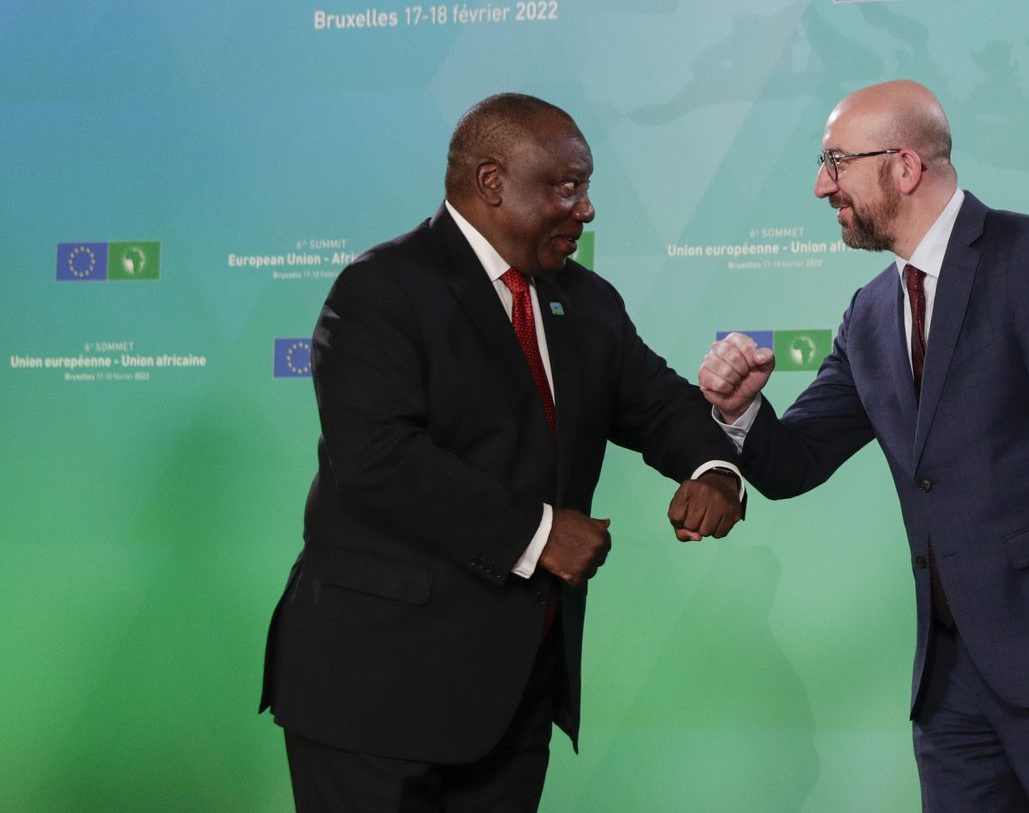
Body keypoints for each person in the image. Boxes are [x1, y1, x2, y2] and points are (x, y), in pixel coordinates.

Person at [699, 80, 1029, 811]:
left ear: (904, 166)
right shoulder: (870, 313)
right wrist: (741, 413)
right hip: (950, 685)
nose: (819, 185)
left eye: (836, 162)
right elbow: (793, 461)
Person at [261, 93, 745, 812]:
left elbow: (659, 403)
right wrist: (543, 532)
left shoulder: (586, 301)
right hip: (374, 692)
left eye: (585, 188)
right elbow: (378, 458)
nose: (585, 209)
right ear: (492, 183)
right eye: (565, 186)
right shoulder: (382, 289)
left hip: (514, 697)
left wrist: (716, 469)